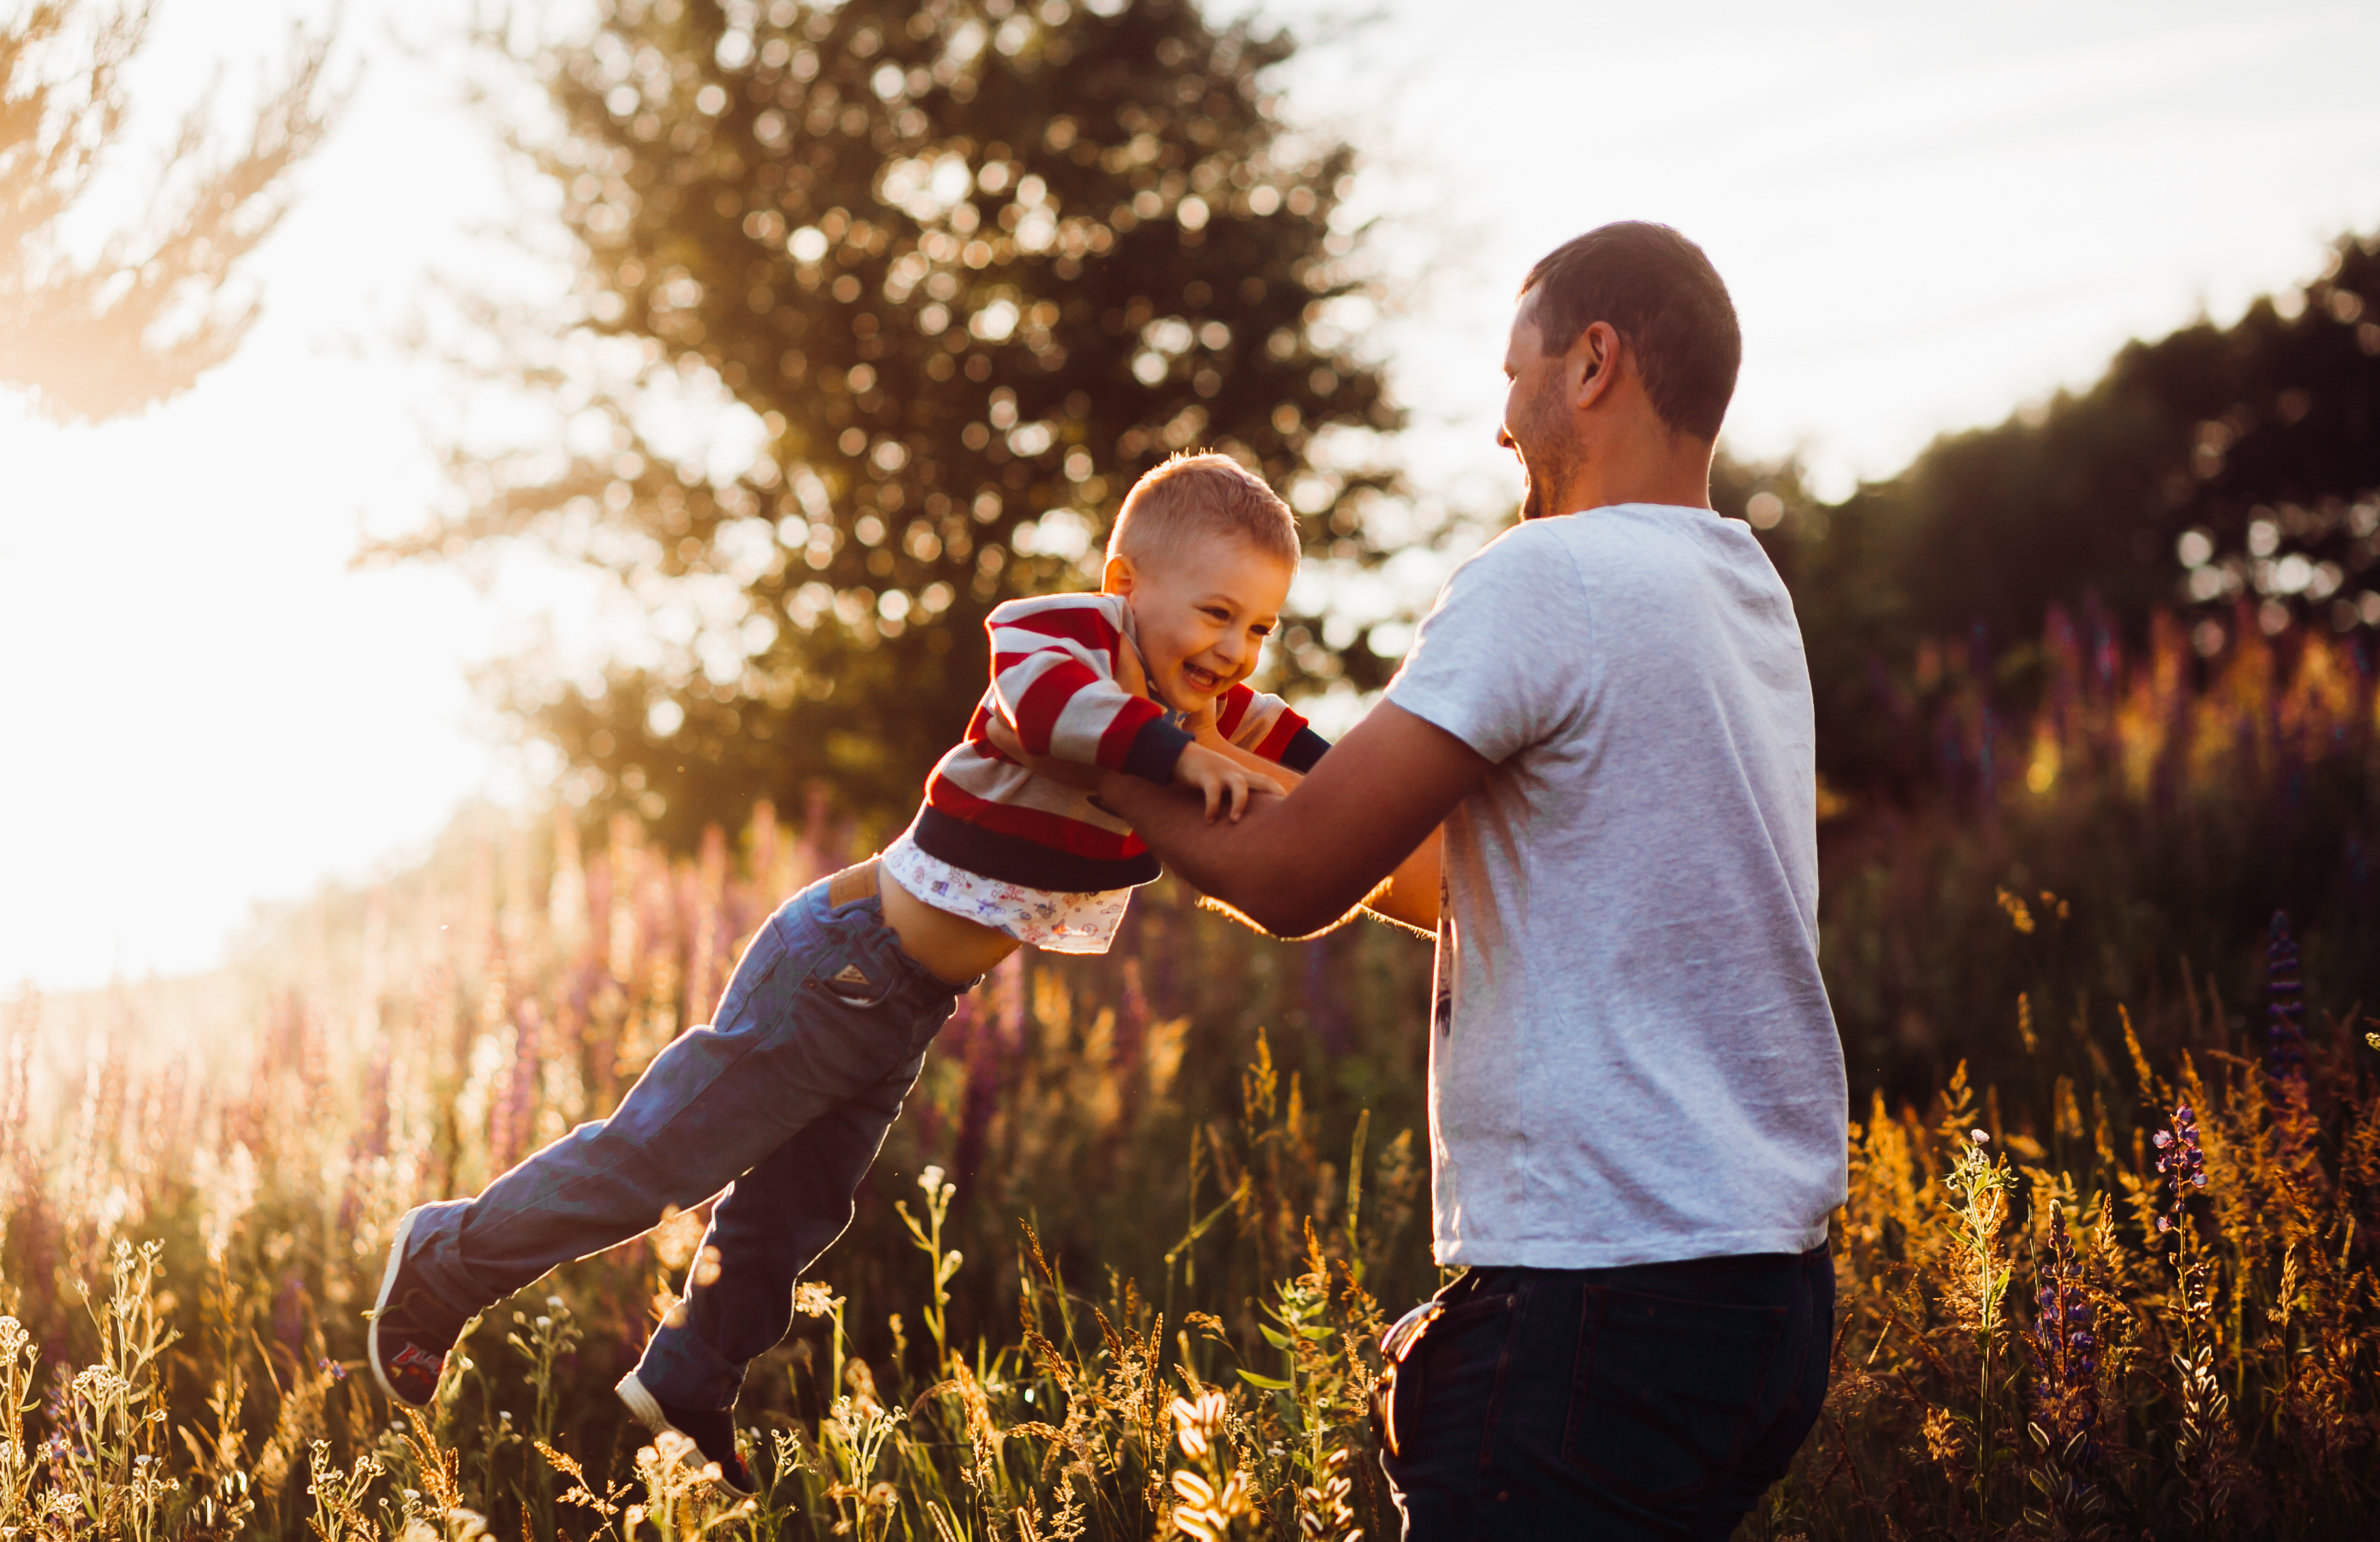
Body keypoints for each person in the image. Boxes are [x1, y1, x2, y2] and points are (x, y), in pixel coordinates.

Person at [1084, 223, 1847, 1539]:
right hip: (1757, 1306)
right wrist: (1224, 761)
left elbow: (1291, 879)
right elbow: (1450, 881)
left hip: (1594, 1299)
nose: (1503, 422)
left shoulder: (1547, 577)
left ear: (1594, 362)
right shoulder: (1738, 593)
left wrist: (1085, 753)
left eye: (1516, 374)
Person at [363, 453, 1330, 1492]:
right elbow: (1048, 708)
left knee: (795, 1211)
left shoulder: (1217, 716)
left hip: (903, 1003)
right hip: (841, 962)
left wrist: (1431, 784)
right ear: (1127, 584)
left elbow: (1333, 767)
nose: (1235, 651)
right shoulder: (1068, 645)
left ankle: (689, 1380)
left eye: (1261, 629)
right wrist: (1177, 757)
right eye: (1218, 614)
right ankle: (444, 1261)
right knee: (661, 1164)